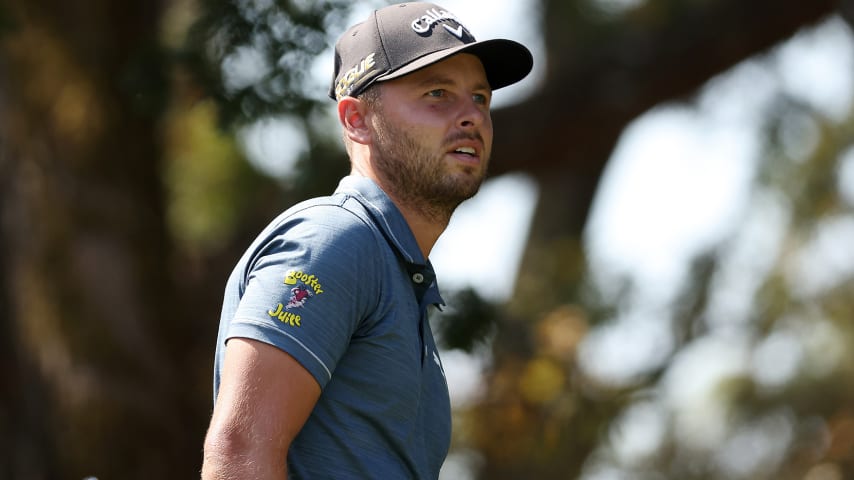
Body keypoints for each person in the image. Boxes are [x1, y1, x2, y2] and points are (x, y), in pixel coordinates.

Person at [201, 2, 532, 478]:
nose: (471, 117)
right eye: (437, 93)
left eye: (480, 98)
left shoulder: (396, 268)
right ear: (356, 119)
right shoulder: (336, 241)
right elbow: (239, 450)